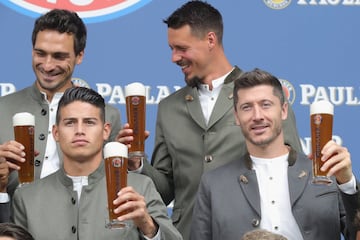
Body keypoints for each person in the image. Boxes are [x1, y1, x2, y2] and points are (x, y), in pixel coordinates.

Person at [117, 1, 302, 239]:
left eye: (181, 48)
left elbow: (295, 171)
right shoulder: (168, 108)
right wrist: (138, 165)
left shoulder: (262, 95)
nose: (174, 57)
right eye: (171, 49)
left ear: (211, 40)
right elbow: (163, 193)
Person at [190, 68, 360, 240]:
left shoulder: (326, 172)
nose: (257, 116)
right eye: (247, 107)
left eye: (266, 104)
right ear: (236, 116)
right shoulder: (213, 184)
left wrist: (347, 184)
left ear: (284, 110)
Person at [11, 87, 182, 240]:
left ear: (105, 131)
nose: (79, 130)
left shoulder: (141, 187)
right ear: (56, 132)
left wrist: (148, 225)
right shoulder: (27, 197)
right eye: (70, 122)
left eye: (89, 122)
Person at [0, 9, 121, 221]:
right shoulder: (3, 108)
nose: (47, 65)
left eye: (59, 56)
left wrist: (135, 165)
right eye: (40, 53)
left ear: (80, 55)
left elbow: (125, 191)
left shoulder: (108, 115)